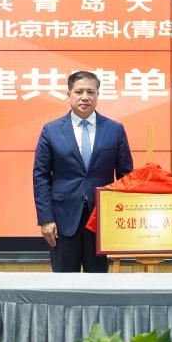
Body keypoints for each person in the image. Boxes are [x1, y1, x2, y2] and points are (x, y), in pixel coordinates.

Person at [33, 71, 133, 272]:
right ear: (68, 94)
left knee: (98, 283)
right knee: (63, 282)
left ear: (98, 95)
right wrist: (46, 219)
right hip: (62, 220)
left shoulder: (114, 129)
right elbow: (41, 177)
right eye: (79, 92)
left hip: (101, 220)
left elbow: (126, 176)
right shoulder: (51, 130)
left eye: (90, 92)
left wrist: (122, 217)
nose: (85, 97)